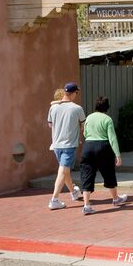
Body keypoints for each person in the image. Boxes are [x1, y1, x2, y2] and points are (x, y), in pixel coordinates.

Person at [79, 96, 127, 215]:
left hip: (88, 146)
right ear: (107, 107)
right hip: (103, 147)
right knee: (108, 173)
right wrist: (118, 155)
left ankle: (86, 205)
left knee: (87, 175)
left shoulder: (89, 117)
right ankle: (116, 199)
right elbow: (112, 138)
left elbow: (84, 132)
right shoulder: (107, 119)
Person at [47, 82, 85, 210]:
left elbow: (50, 124)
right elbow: (82, 126)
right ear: (74, 93)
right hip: (69, 144)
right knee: (63, 171)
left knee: (65, 170)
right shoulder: (77, 108)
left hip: (56, 144)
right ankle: (54, 199)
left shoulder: (53, 108)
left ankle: (74, 193)